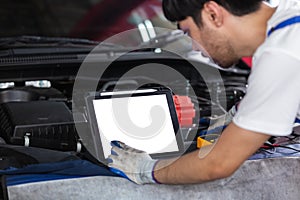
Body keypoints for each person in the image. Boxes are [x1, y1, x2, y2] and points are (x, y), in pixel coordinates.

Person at [108, 0, 300, 184]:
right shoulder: (289, 17)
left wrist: (146, 170)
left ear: (213, 14)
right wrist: (239, 113)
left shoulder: (281, 53)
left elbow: (218, 164)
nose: (193, 47)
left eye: (188, 32)